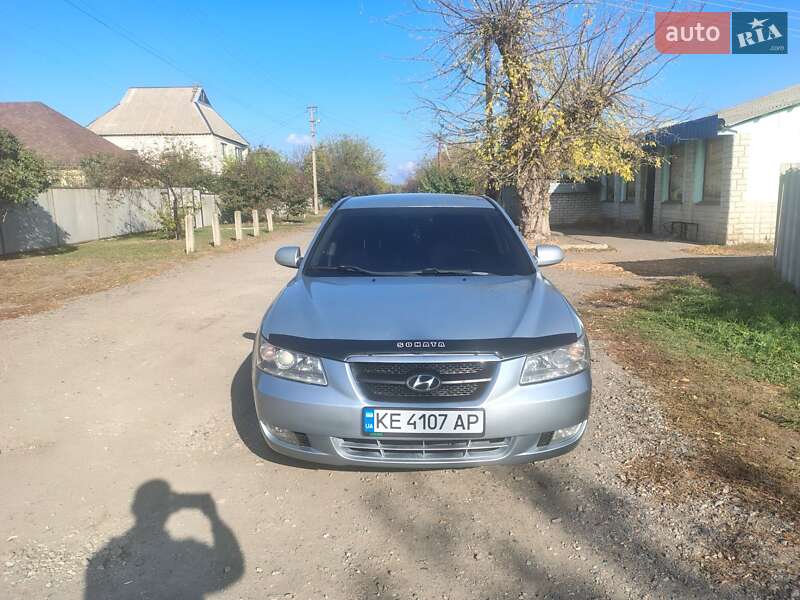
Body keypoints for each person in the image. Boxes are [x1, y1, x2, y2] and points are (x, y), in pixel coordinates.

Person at [84, 479, 243, 599]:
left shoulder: (99, 557)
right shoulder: (193, 548)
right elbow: (235, 571)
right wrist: (214, 518)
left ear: (134, 508)